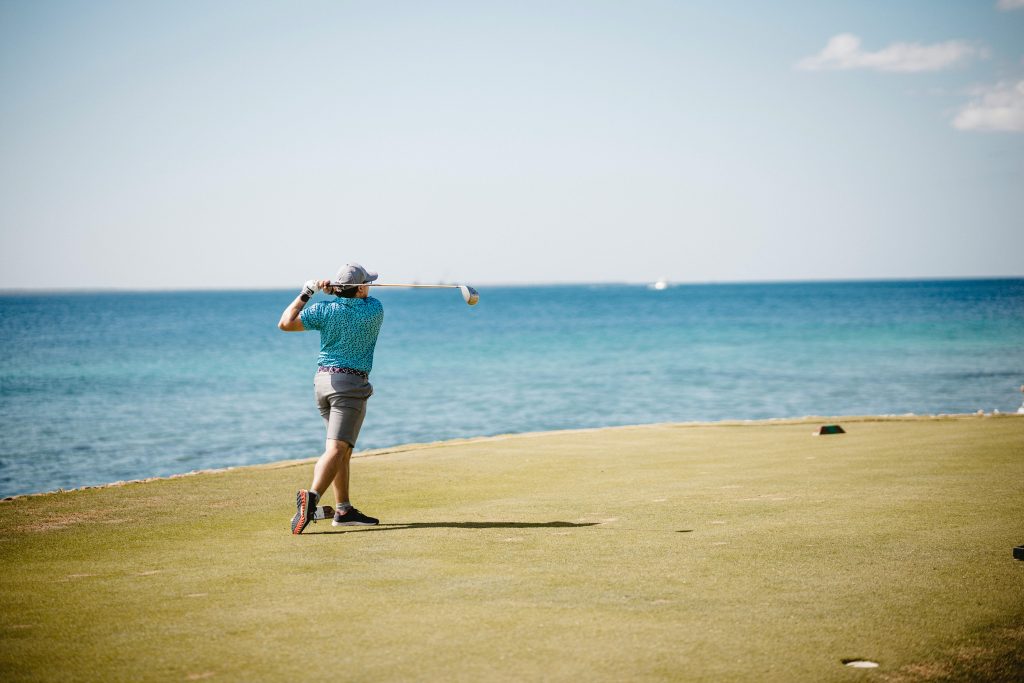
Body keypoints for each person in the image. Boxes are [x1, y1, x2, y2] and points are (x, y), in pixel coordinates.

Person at [278, 263, 385, 534]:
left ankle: (343, 510)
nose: (370, 287)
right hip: (350, 386)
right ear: (359, 289)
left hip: (323, 384)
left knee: (342, 450)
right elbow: (358, 300)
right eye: (367, 283)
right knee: (337, 449)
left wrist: (308, 292)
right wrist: (337, 293)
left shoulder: (324, 310)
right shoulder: (374, 309)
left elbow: (285, 323)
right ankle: (311, 499)